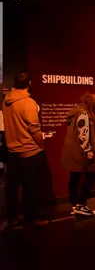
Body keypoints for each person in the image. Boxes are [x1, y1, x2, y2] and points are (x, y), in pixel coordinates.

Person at [2, 72, 49, 228]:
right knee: (31, 188)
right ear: (29, 83)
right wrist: (41, 146)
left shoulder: (6, 100)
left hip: (12, 151)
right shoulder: (28, 103)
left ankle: (13, 217)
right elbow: (34, 128)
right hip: (29, 152)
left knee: (12, 187)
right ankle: (30, 219)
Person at [61, 92, 95, 217]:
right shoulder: (83, 114)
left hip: (73, 152)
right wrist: (88, 151)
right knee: (91, 177)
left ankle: (74, 205)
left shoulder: (75, 112)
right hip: (81, 153)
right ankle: (81, 204)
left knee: (74, 178)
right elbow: (83, 135)